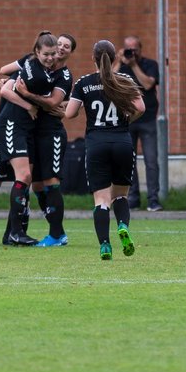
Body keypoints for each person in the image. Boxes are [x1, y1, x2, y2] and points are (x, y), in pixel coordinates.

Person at [0, 33, 73, 248]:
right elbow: (5, 88)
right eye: (49, 53)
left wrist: (57, 105)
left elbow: (56, 104)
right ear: (37, 52)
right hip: (12, 124)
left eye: (58, 51)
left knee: (33, 181)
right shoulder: (34, 70)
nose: (53, 56)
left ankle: (15, 233)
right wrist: (27, 103)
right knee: (20, 177)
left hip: (31, 129)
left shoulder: (56, 74)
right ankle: (8, 233)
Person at [64, 40, 146, 260]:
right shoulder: (125, 80)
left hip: (96, 144)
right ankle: (122, 226)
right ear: (114, 58)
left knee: (101, 200)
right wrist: (127, 118)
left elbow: (70, 114)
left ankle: (105, 246)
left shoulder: (84, 83)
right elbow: (140, 108)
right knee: (120, 196)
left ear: (93, 58)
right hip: (122, 142)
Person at [118, 36, 163, 212]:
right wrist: (117, 60)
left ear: (140, 49)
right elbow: (107, 79)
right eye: (128, 49)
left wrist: (134, 65)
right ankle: (133, 199)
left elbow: (148, 84)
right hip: (127, 120)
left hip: (148, 119)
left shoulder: (150, 64)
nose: (132, 52)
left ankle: (153, 200)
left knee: (151, 161)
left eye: (135, 49)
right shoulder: (120, 65)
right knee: (128, 160)